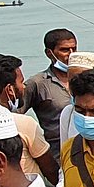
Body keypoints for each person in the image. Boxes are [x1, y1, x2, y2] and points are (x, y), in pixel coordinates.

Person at [0, 53, 59, 185]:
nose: (24, 87)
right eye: (21, 82)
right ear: (10, 90)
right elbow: (51, 169)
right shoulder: (23, 123)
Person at [23, 27, 77, 162]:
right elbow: (17, 115)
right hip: (57, 155)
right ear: (49, 53)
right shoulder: (37, 83)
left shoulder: (86, 79)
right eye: (65, 50)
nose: (71, 54)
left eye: (74, 49)